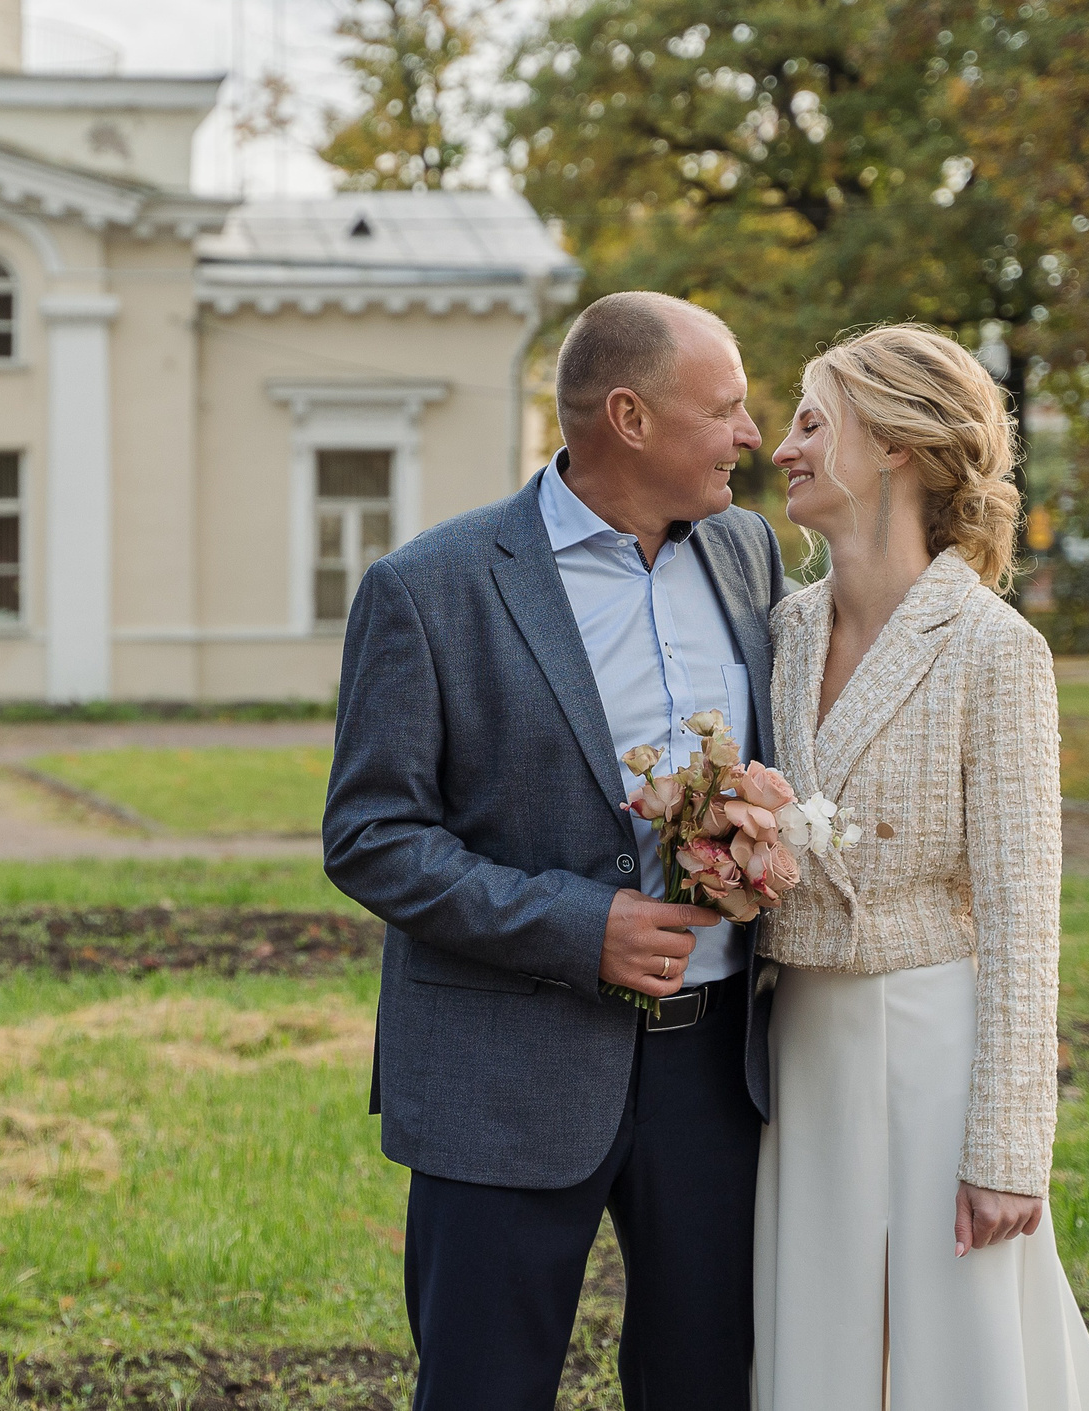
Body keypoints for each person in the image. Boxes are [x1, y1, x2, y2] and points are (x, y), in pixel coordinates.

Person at [323, 290, 787, 1411]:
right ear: (628, 416)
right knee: (484, 1390)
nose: (750, 436)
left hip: (716, 1073)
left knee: (706, 1387)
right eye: (724, 408)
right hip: (504, 1072)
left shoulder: (745, 553)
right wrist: (585, 930)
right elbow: (370, 838)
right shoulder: (427, 588)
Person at [755, 324, 1089, 1410]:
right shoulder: (780, 630)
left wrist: (1008, 1145)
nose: (780, 448)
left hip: (934, 1054)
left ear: (898, 443)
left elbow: (1021, 914)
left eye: (811, 422)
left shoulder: (994, 649)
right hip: (798, 1047)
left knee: (954, 1354)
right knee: (812, 1331)